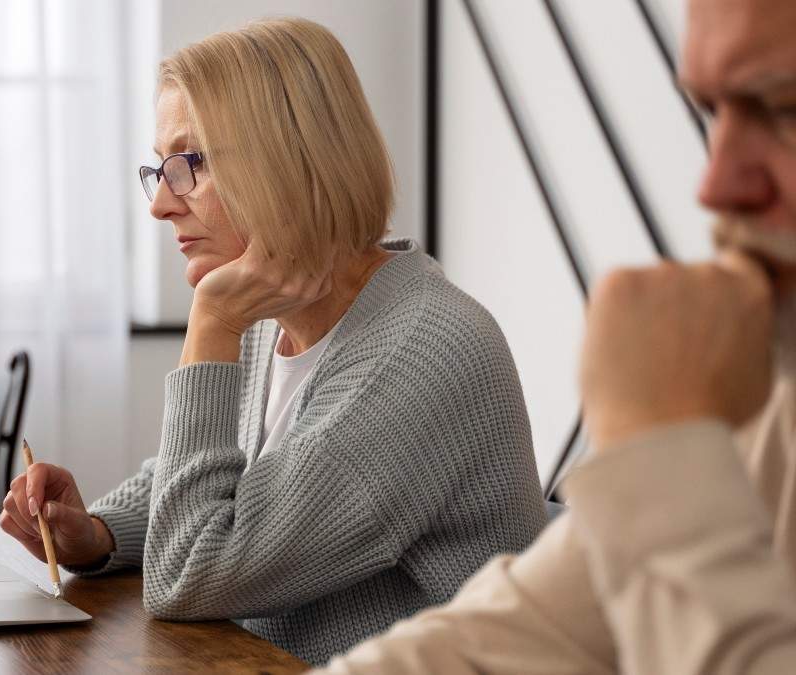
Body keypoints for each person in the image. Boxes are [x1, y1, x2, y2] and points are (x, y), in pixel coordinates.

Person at [0, 17, 546, 665]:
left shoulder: (421, 352)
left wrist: (210, 324)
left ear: (287, 161)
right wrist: (94, 534)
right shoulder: (276, 315)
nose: (161, 205)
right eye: (160, 170)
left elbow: (189, 574)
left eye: (189, 164)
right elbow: (217, 488)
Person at [315, 0, 796, 672]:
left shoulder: (425, 339)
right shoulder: (773, 405)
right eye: (714, 113)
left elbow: (206, 567)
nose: (714, 184)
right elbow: (509, 634)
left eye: (785, 110)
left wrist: (661, 440)